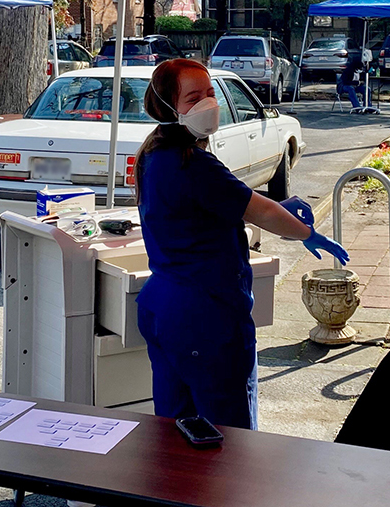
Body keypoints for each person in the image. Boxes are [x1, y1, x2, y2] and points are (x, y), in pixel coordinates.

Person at [134, 59, 350, 431]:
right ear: (168, 106)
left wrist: (276, 208)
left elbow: (214, 207)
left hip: (164, 309)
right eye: (193, 97)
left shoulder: (153, 155)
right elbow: (259, 211)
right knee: (228, 438)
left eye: (209, 93)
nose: (208, 104)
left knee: (175, 433)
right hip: (205, 315)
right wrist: (305, 232)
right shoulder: (192, 164)